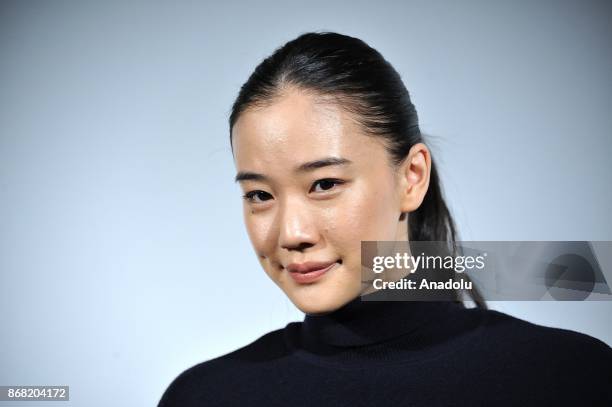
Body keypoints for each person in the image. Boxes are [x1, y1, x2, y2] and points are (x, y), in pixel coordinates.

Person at [158, 31, 612, 406]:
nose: (291, 233)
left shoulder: (569, 376)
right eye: (259, 194)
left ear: (411, 177)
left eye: (325, 184)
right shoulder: (206, 397)